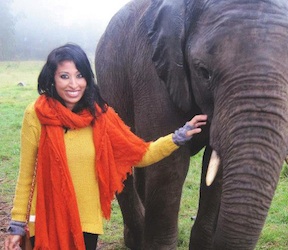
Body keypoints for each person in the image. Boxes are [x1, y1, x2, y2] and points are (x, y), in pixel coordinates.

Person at [4, 43, 207, 250]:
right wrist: (17, 224)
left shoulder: (101, 116)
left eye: (79, 75)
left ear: (87, 78)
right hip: (46, 221)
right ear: (52, 79)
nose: (73, 84)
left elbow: (139, 154)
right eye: (64, 76)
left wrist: (178, 137)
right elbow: (26, 176)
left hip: (87, 223)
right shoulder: (36, 114)